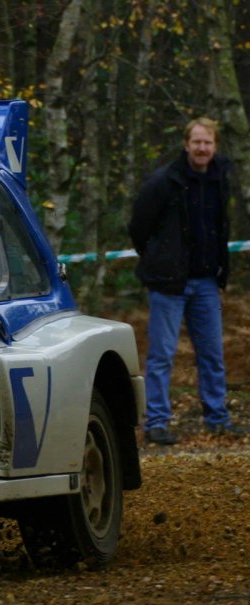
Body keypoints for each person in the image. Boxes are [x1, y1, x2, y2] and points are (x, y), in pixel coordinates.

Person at [129, 116, 245, 445]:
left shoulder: (221, 177)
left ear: (215, 146)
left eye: (208, 142)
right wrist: (159, 259)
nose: (202, 148)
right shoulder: (164, 181)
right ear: (186, 144)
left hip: (207, 281)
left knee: (211, 353)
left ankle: (217, 418)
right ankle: (157, 422)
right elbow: (139, 227)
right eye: (197, 142)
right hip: (168, 283)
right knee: (161, 355)